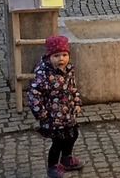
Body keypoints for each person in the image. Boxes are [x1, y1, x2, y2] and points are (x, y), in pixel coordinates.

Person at [27, 35, 83, 178]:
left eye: (64, 55)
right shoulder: (44, 74)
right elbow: (33, 94)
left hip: (68, 113)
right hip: (52, 116)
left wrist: (76, 102)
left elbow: (73, 88)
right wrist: (41, 112)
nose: (61, 59)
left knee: (72, 135)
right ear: (49, 56)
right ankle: (52, 166)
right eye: (56, 56)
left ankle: (67, 158)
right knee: (57, 142)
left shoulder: (69, 70)